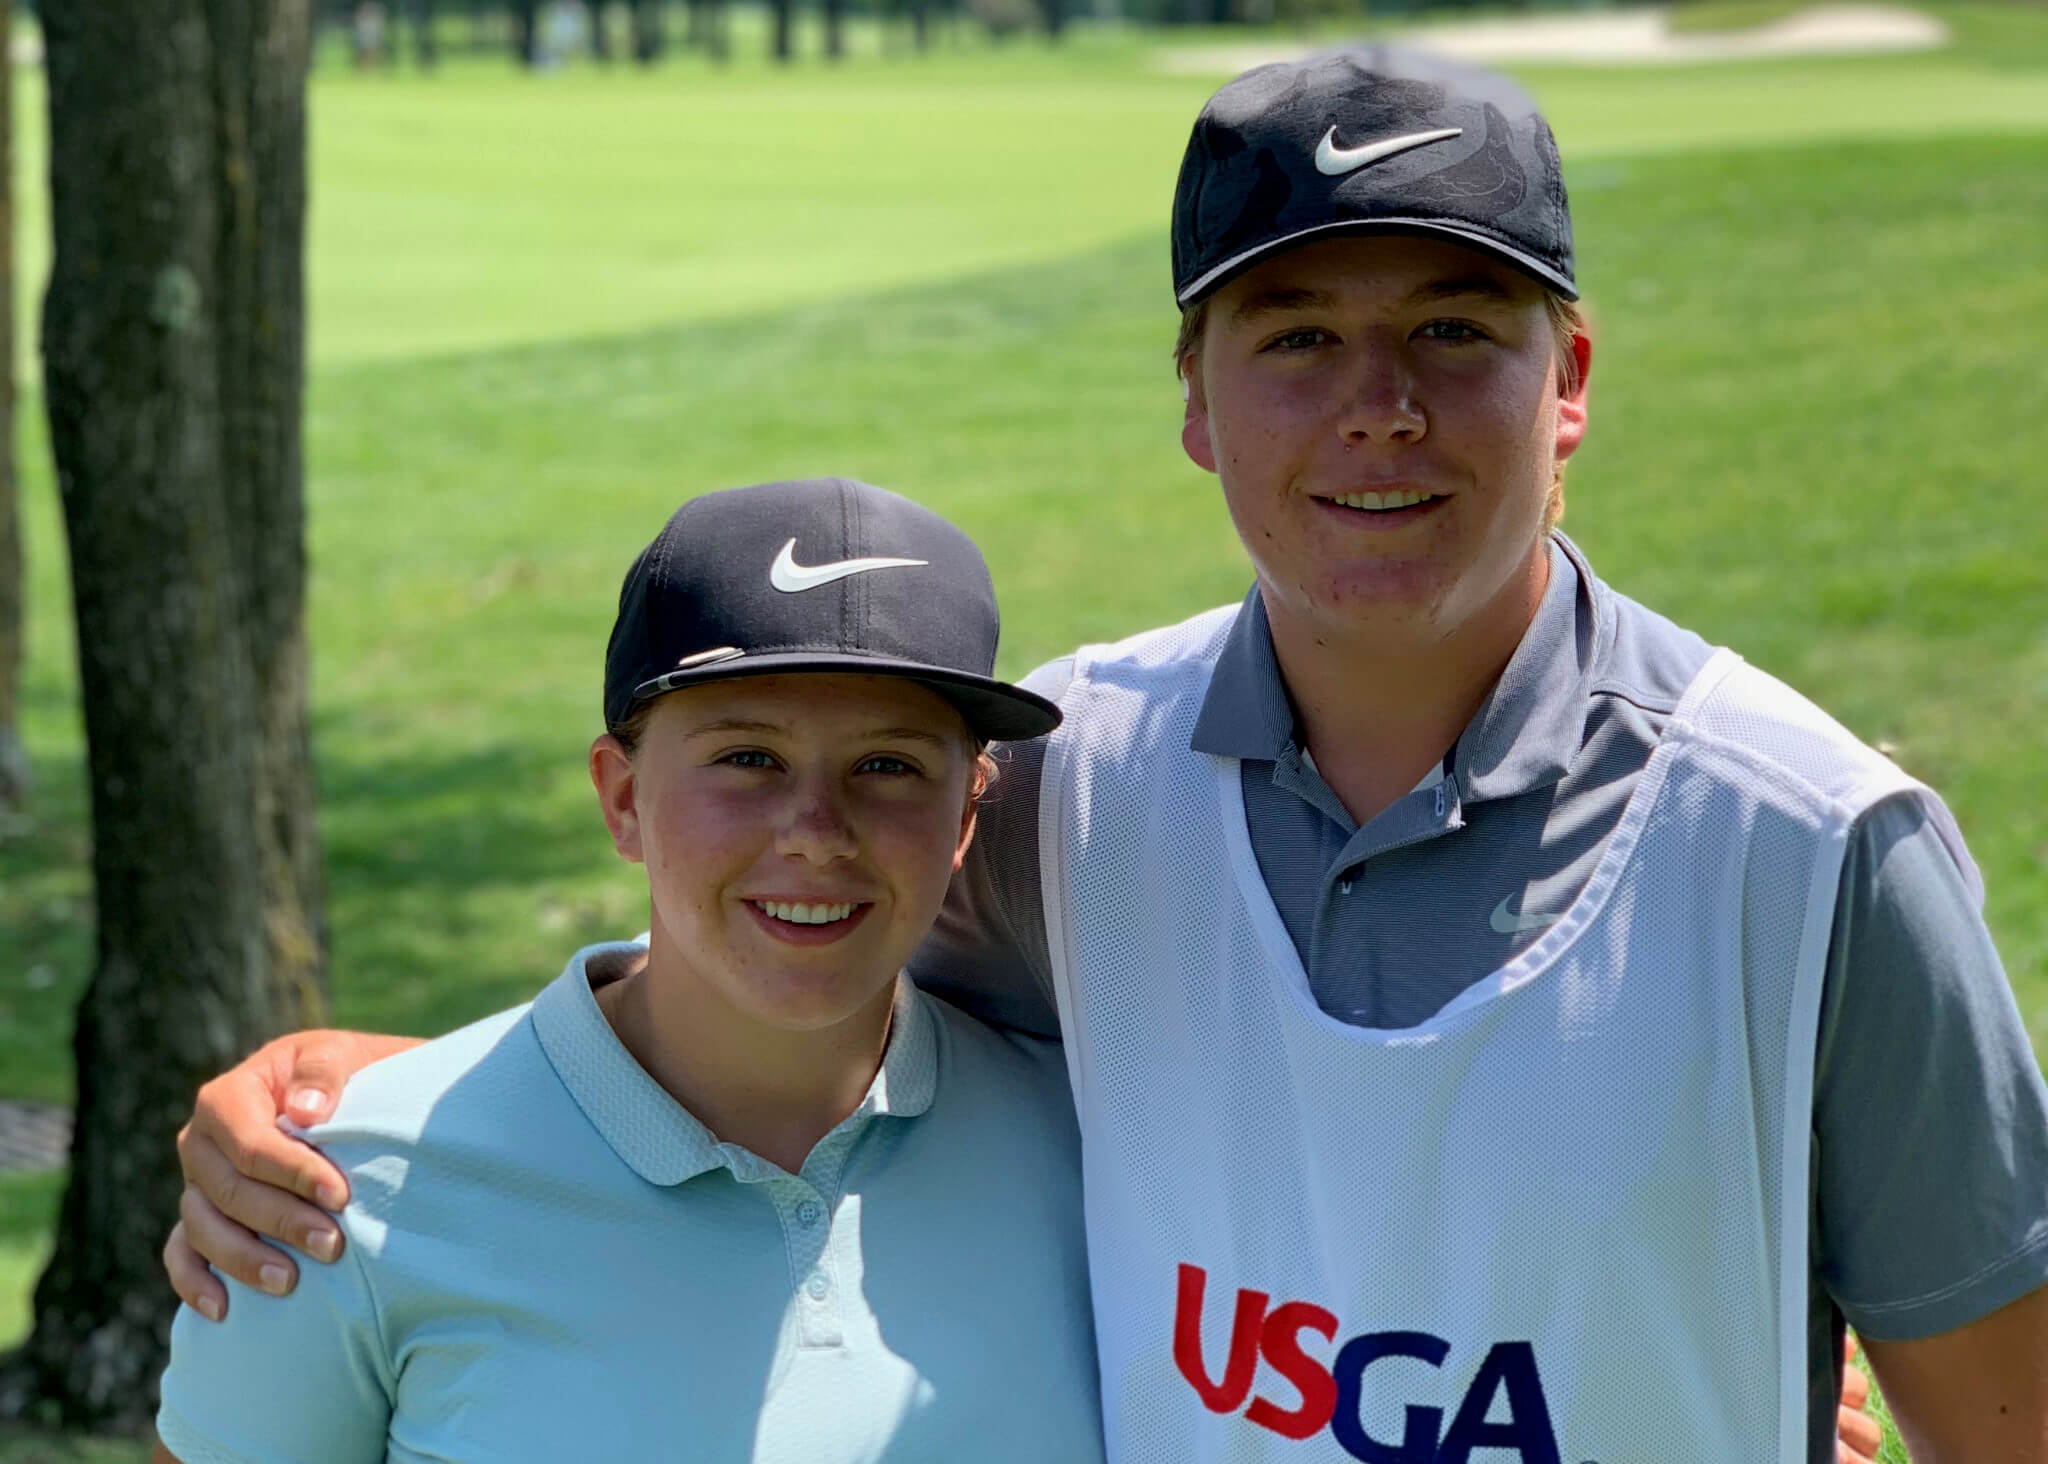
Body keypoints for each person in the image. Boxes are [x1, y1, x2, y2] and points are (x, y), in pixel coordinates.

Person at [167, 50, 2048, 1462]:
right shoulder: (1070, 787)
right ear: (1191, 403)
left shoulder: (1814, 850)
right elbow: (759, 953)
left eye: (1451, 329)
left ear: (1567, 379)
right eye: (1293, 333)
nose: (1373, 404)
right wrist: (372, 1100)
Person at [152, 479, 1106, 1463]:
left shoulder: (1089, 1142)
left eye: (887, 766)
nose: (818, 836)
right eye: (747, 758)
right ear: (621, 800)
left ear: (964, 815)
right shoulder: (339, 1190)